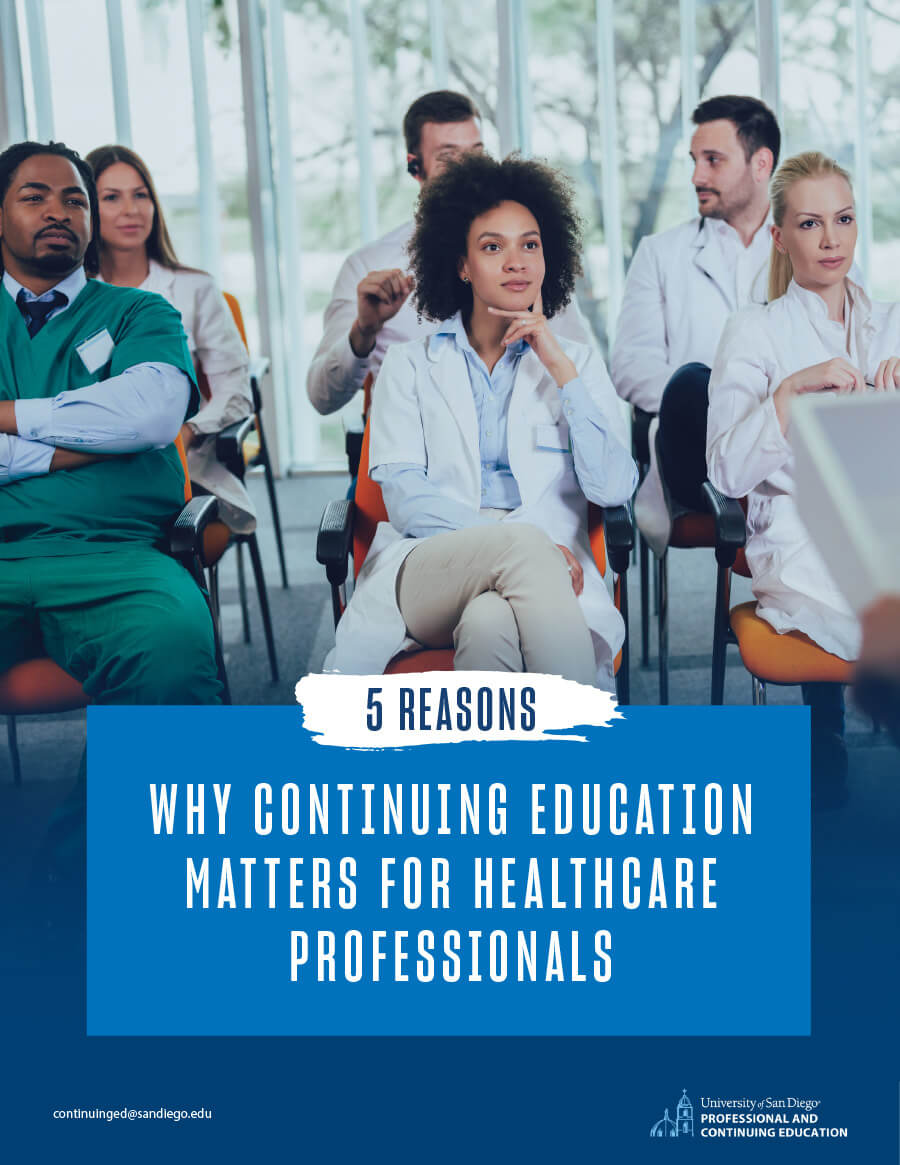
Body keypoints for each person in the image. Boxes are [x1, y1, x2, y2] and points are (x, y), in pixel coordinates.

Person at [324, 153, 637, 689]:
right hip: (429, 567)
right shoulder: (409, 365)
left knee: (490, 623)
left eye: (530, 244)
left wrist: (558, 365)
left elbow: (612, 487)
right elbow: (405, 499)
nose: (516, 262)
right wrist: (520, 544)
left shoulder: (577, 366)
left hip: (543, 577)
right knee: (521, 556)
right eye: (493, 247)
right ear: (463, 265)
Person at [0, 140, 221, 704]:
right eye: (34, 197)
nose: (58, 212)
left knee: (171, 648)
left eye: (75, 201)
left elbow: (149, 415)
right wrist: (83, 445)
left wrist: (9, 419)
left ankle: (104, 798)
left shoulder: (140, 312)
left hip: (118, 558)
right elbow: (124, 425)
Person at [706, 151, 900, 784]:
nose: (832, 239)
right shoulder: (753, 331)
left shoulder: (890, 323)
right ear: (779, 237)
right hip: (801, 536)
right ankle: (825, 734)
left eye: (843, 220)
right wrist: (788, 396)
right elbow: (726, 471)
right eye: (811, 224)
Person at [306, 90, 624, 441]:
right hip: (415, 454)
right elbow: (322, 398)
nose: (469, 170)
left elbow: (586, 381)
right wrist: (364, 330)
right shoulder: (368, 266)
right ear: (416, 167)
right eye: (448, 157)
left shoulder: (526, 262)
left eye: (476, 154)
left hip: (525, 452)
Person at [611, 95, 780, 543]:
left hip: (786, 445)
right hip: (695, 447)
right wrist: (727, 401)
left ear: (761, 164)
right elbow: (630, 367)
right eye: (694, 161)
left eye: (713, 160)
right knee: (690, 383)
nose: (696, 176)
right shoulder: (659, 254)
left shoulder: (811, 247)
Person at [85, 144, 254, 534]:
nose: (131, 209)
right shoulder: (76, 298)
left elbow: (236, 387)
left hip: (181, 463)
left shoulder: (195, 288)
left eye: (140, 195)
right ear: (87, 210)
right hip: (94, 466)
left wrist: (190, 430)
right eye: (111, 197)